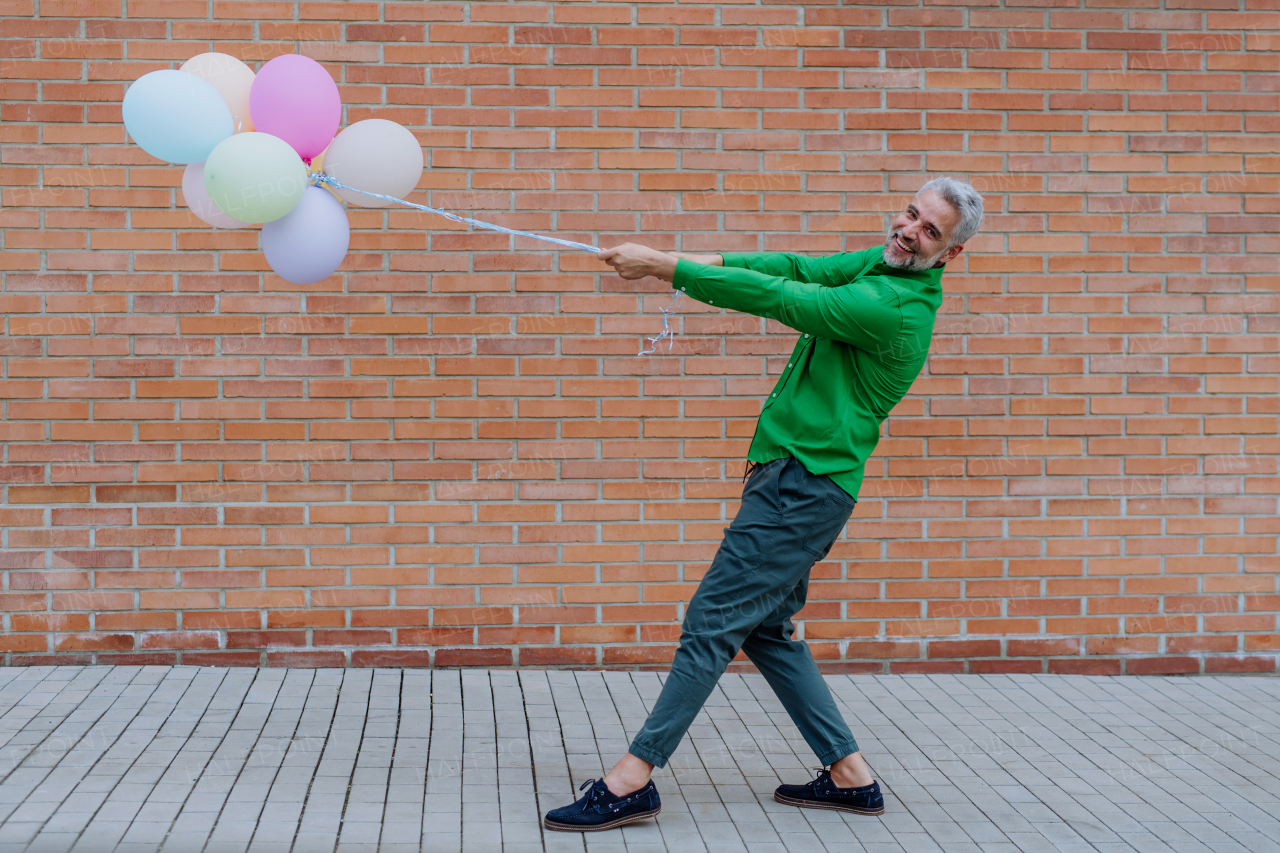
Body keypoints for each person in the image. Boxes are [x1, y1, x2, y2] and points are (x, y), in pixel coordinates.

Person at [542, 177, 985, 833]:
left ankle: (631, 779)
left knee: (712, 618)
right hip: (800, 482)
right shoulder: (877, 261)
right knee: (767, 629)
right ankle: (850, 776)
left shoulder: (896, 307)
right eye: (911, 214)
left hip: (801, 488)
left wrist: (665, 269)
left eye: (929, 232)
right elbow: (794, 267)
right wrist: (688, 259)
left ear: (948, 255)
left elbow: (785, 298)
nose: (909, 232)